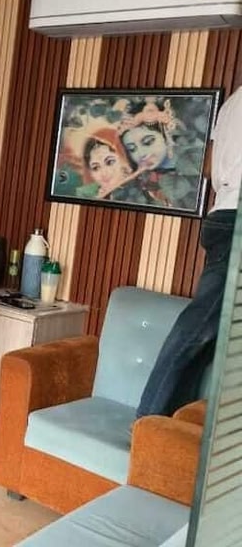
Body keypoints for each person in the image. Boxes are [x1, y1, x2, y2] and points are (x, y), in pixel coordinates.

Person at [137, 87, 242, 418]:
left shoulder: (233, 102)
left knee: (209, 332)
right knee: (201, 327)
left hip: (222, 217)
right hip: (236, 220)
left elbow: (208, 165)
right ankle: (148, 423)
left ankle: (170, 425)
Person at [119, 103, 202, 210]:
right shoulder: (144, 180)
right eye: (132, 149)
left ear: (166, 135)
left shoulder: (193, 157)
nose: (141, 153)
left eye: (148, 142)